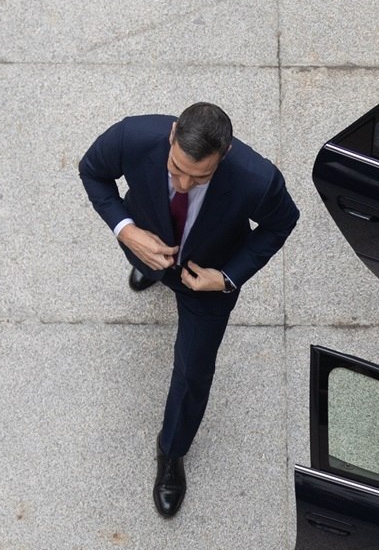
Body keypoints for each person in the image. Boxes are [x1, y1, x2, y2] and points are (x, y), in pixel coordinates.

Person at [78, 101, 298, 518]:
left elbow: (281, 223)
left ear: (226, 154)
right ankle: (151, 272)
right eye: (175, 168)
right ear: (173, 133)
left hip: (208, 280)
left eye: (199, 177)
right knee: (145, 263)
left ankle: (171, 451)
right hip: (149, 247)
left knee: (193, 371)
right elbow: (93, 172)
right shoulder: (132, 136)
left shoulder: (258, 179)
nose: (181, 184)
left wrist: (228, 277)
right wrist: (128, 233)